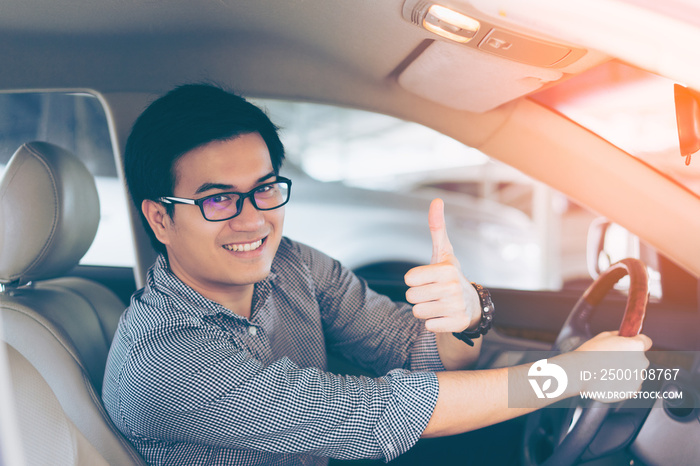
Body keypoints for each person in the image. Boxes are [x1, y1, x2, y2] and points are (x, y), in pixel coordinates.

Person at [102, 83, 652, 465]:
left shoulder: (293, 264)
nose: (254, 219)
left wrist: (460, 317)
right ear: (160, 218)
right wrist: (567, 376)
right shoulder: (163, 359)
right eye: (219, 199)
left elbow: (417, 356)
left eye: (265, 188)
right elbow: (373, 415)